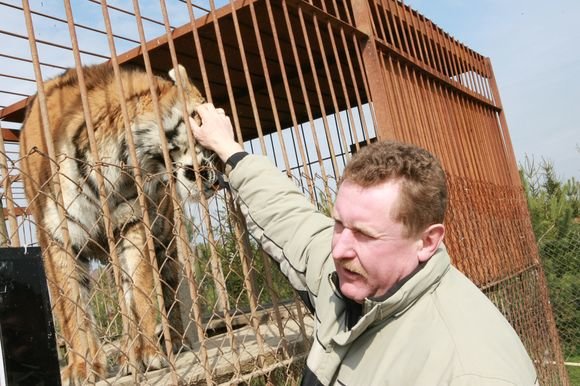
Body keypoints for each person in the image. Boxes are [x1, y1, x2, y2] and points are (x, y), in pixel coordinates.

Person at [190, 103, 538, 385]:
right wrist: (227, 148)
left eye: (365, 234)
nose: (339, 248)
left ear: (427, 241)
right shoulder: (350, 276)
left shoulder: (470, 369)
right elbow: (290, 217)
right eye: (339, 223)